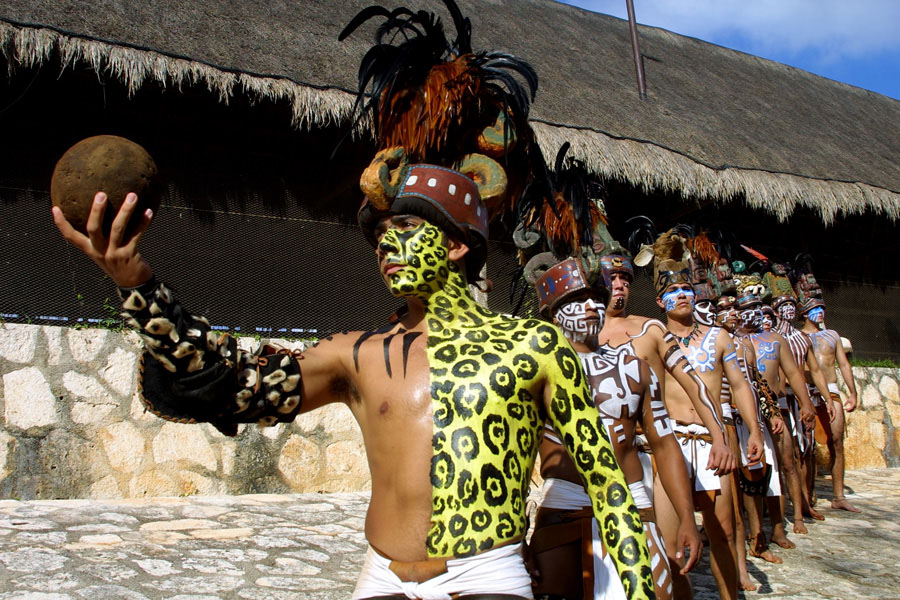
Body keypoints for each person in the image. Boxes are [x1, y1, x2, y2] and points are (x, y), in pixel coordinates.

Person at [53, 156, 658, 599]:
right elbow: (229, 384)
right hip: (381, 579)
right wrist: (136, 284)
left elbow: (605, 483)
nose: (384, 248)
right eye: (378, 238)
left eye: (402, 231)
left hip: (487, 577)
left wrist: (636, 589)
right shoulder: (357, 355)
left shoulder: (534, 345)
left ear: (453, 246)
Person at [528, 258, 701, 600]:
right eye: (575, 301)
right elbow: (515, 458)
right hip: (563, 502)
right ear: (552, 315)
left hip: (632, 501)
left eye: (595, 297)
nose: (590, 306)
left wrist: (686, 518)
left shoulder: (634, 368)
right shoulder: (536, 374)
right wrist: (514, 534)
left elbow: (665, 445)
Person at [647, 231, 763, 600]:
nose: (681, 295)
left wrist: (755, 433)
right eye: (672, 290)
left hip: (714, 444)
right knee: (671, 542)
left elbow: (741, 387)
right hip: (670, 444)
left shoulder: (720, 338)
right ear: (659, 300)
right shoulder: (653, 340)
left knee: (724, 533)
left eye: (686, 288)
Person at [756, 293, 822, 536]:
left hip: (778, 407)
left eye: (766, 315)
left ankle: (793, 517)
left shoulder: (776, 341)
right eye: (757, 313)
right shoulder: (738, 341)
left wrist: (806, 404)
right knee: (756, 467)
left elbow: (794, 374)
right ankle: (761, 523)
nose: (762, 319)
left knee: (788, 463)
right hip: (750, 412)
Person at [772, 293, 832, 522]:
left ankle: (805, 502)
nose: (788, 309)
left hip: (800, 398)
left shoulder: (801, 338)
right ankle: (780, 506)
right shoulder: (769, 337)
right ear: (776, 311)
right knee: (785, 454)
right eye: (783, 305)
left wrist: (826, 398)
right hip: (779, 398)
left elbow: (814, 370)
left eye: (791, 305)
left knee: (805, 450)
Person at [799, 298, 860, 512]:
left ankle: (839, 496)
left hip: (831, 391)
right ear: (805, 314)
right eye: (815, 309)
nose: (820, 312)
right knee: (807, 446)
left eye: (822, 308)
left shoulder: (832, 335)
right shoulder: (798, 337)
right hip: (808, 393)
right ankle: (808, 493)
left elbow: (843, 364)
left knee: (836, 440)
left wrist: (852, 393)